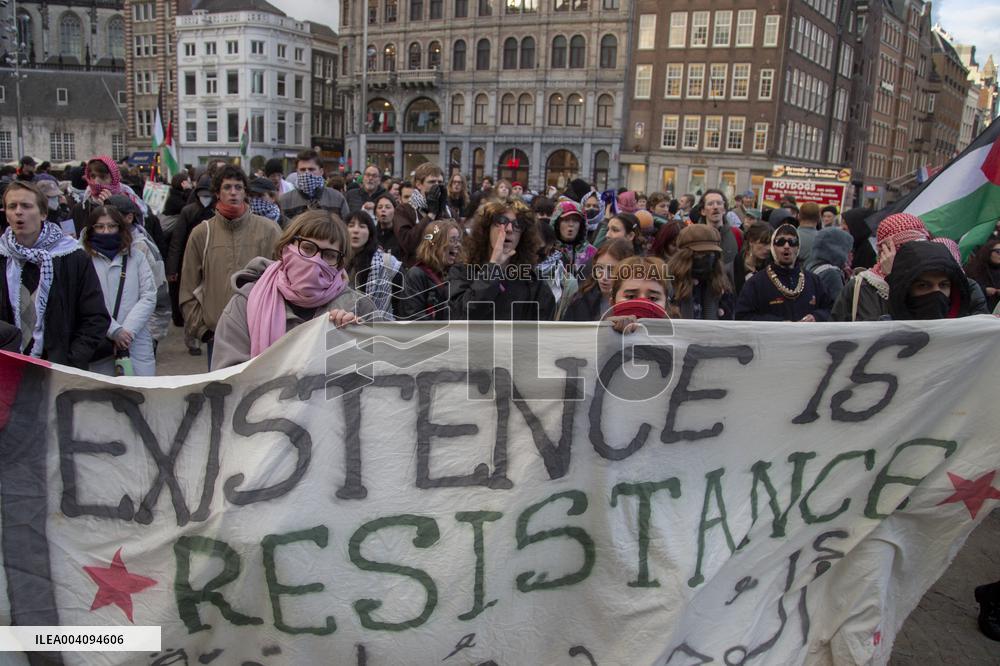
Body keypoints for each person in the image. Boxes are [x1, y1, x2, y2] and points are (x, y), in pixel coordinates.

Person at [211, 210, 375, 369]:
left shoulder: (360, 307)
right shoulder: (246, 302)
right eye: (307, 248)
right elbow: (226, 377)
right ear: (286, 247)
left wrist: (353, 337)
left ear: (340, 264)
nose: (316, 261)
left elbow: (380, 375)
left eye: (329, 255)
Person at [179, 165, 282, 366]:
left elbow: (284, 279)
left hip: (260, 333)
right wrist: (201, 329)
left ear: (245, 191)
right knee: (221, 395)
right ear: (217, 192)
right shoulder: (202, 233)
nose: (233, 192)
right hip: (217, 335)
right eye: (227, 187)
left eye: (238, 187)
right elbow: (188, 287)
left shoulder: (269, 230)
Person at [0, 181, 109, 367]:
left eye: (26, 206)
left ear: (43, 213)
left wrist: (70, 361)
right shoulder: (3, 256)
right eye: (12, 206)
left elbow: (95, 317)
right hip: (9, 368)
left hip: (60, 368)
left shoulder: (72, 256)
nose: (19, 212)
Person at [80, 206, 156, 376]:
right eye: (100, 227)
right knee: (104, 398)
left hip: (135, 338)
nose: (106, 231)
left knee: (141, 394)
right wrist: (114, 331)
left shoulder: (136, 257)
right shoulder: (83, 260)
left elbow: (149, 296)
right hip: (100, 340)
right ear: (91, 230)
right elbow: (85, 302)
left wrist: (126, 332)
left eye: (111, 226)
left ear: (120, 228)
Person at [448, 200, 554, 320]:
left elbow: (542, 330)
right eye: (502, 222)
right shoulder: (462, 272)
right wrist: (493, 267)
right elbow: (461, 315)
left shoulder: (533, 282)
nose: (509, 229)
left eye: (517, 224)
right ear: (486, 229)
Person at [832, 213, 931, 322]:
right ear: (885, 250)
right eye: (905, 248)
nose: (915, 255)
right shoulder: (862, 285)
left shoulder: (932, 282)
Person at [735, 223, 833, 322]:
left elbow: (831, 310)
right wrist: (778, 324)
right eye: (780, 242)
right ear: (773, 247)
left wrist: (816, 317)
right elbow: (743, 317)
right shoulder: (756, 283)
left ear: (798, 247)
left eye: (792, 242)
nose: (786, 246)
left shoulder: (814, 281)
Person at [885, 241, 971, 320]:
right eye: (923, 286)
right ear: (906, 290)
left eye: (943, 285)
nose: (937, 292)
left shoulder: (970, 330)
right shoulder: (885, 331)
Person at [397, 220, 464, 321]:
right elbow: (413, 317)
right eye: (452, 240)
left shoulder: (459, 273)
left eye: (458, 240)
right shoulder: (416, 275)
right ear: (435, 244)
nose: (458, 245)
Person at [667, 225, 734, 320]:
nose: (707, 258)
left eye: (711, 253)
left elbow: (729, 319)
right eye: (700, 253)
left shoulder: (721, 282)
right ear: (685, 255)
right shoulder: (669, 280)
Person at [70, 156, 148, 236]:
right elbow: (68, 235)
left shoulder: (129, 204)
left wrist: (111, 207)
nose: (96, 182)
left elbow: (128, 236)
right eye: (93, 177)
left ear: (114, 179)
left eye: (103, 177)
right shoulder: (80, 208)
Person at [346, 210, 402, 319]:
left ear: (370, 233)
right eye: (351, 225)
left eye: (362, 226)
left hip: (380, 327)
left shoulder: (385, 262)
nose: (356, 230)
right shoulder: (335, 261)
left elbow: (400, 301)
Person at [562, 239, 636, 321]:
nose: (604, 277)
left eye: (612, 270)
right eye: (599, 268)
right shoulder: (580, 301)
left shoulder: (639, 303)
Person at [393, 163, 449, 267]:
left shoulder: (447, 210)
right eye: (432, 182)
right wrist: (431, 215)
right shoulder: (404, 210)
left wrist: (441, 213)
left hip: (443, 268)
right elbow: (408, 243)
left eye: (440, 182)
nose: (437, 185)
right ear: (419, 184)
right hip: (417, 270)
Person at [605, 255, 671, 334]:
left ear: (666, 305)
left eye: (653, 298)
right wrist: (605, 332)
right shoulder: (594, 340)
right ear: (612, 302)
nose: (642, 303)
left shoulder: (681, 341)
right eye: (631, 296)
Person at [279, 149, 350, 220]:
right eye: (303, 170)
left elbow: (346, 225)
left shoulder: (337, 198)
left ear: (321, 171)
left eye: (311, 169)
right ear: (297, 172)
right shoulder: (285, 200)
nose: (307, 173)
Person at [805, 227, 854, 303]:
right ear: (838, 250)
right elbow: (840, 307)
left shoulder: (811, 265)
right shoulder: (832, 274)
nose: (851, 255)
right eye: (848, 250)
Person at [699, 189, 739, 280]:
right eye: (710, 204)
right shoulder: (695, 235)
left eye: (719, 203)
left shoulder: (737, 234)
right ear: (703, 211)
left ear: (724, 209)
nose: (715, 207)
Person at [733, 223, 772, 296]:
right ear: (751, 241)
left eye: (771, 244)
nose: (768, 248)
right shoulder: (733, 268)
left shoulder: (771, 267)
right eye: (764, 243)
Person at [963, 237, 1000, 312]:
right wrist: (983, 290)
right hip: (978, 314)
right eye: (998, 252)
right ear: (988, 252)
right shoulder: (973, 268)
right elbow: (965, 290)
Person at [374, 194, 401, 258]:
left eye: (388, 207)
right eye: (380, 207)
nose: (383, 210)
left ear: (395, 211)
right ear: (375, 213)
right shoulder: (371, 235)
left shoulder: (401, 234)